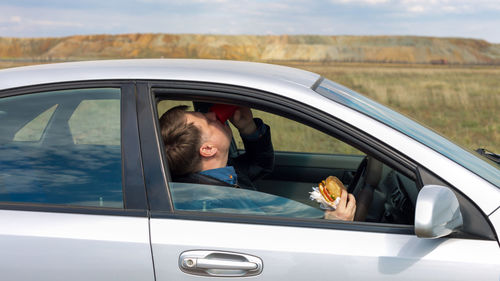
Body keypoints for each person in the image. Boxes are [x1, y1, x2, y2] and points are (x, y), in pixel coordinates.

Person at [159, 104, 356, 221]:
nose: (212, 115)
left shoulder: (215, 176)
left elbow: (259, 164)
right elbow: (280, 249)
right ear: (208, 149)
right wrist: (332, 224)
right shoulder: (221, 205)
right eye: (208, 122)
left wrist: (249, 128)